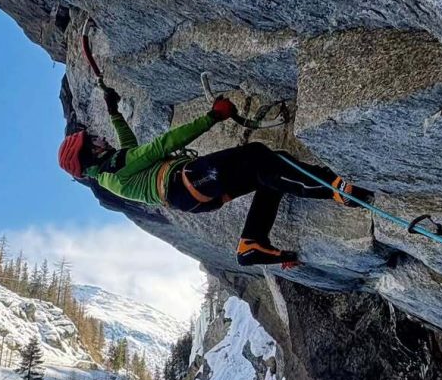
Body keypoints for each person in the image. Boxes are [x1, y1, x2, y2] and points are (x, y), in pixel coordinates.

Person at [58, 85, 372, 267]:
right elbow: (164, 144)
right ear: (90, 155)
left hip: (189, 193)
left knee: (266, 177)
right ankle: (331, 188)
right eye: (92, 142)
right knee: (259, 157)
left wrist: (114, 112)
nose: (98, 138)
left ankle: (251, 243)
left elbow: (128, 144)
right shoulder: (117, 170)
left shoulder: (110, 171)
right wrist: (213, 116)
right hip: (190, 179)